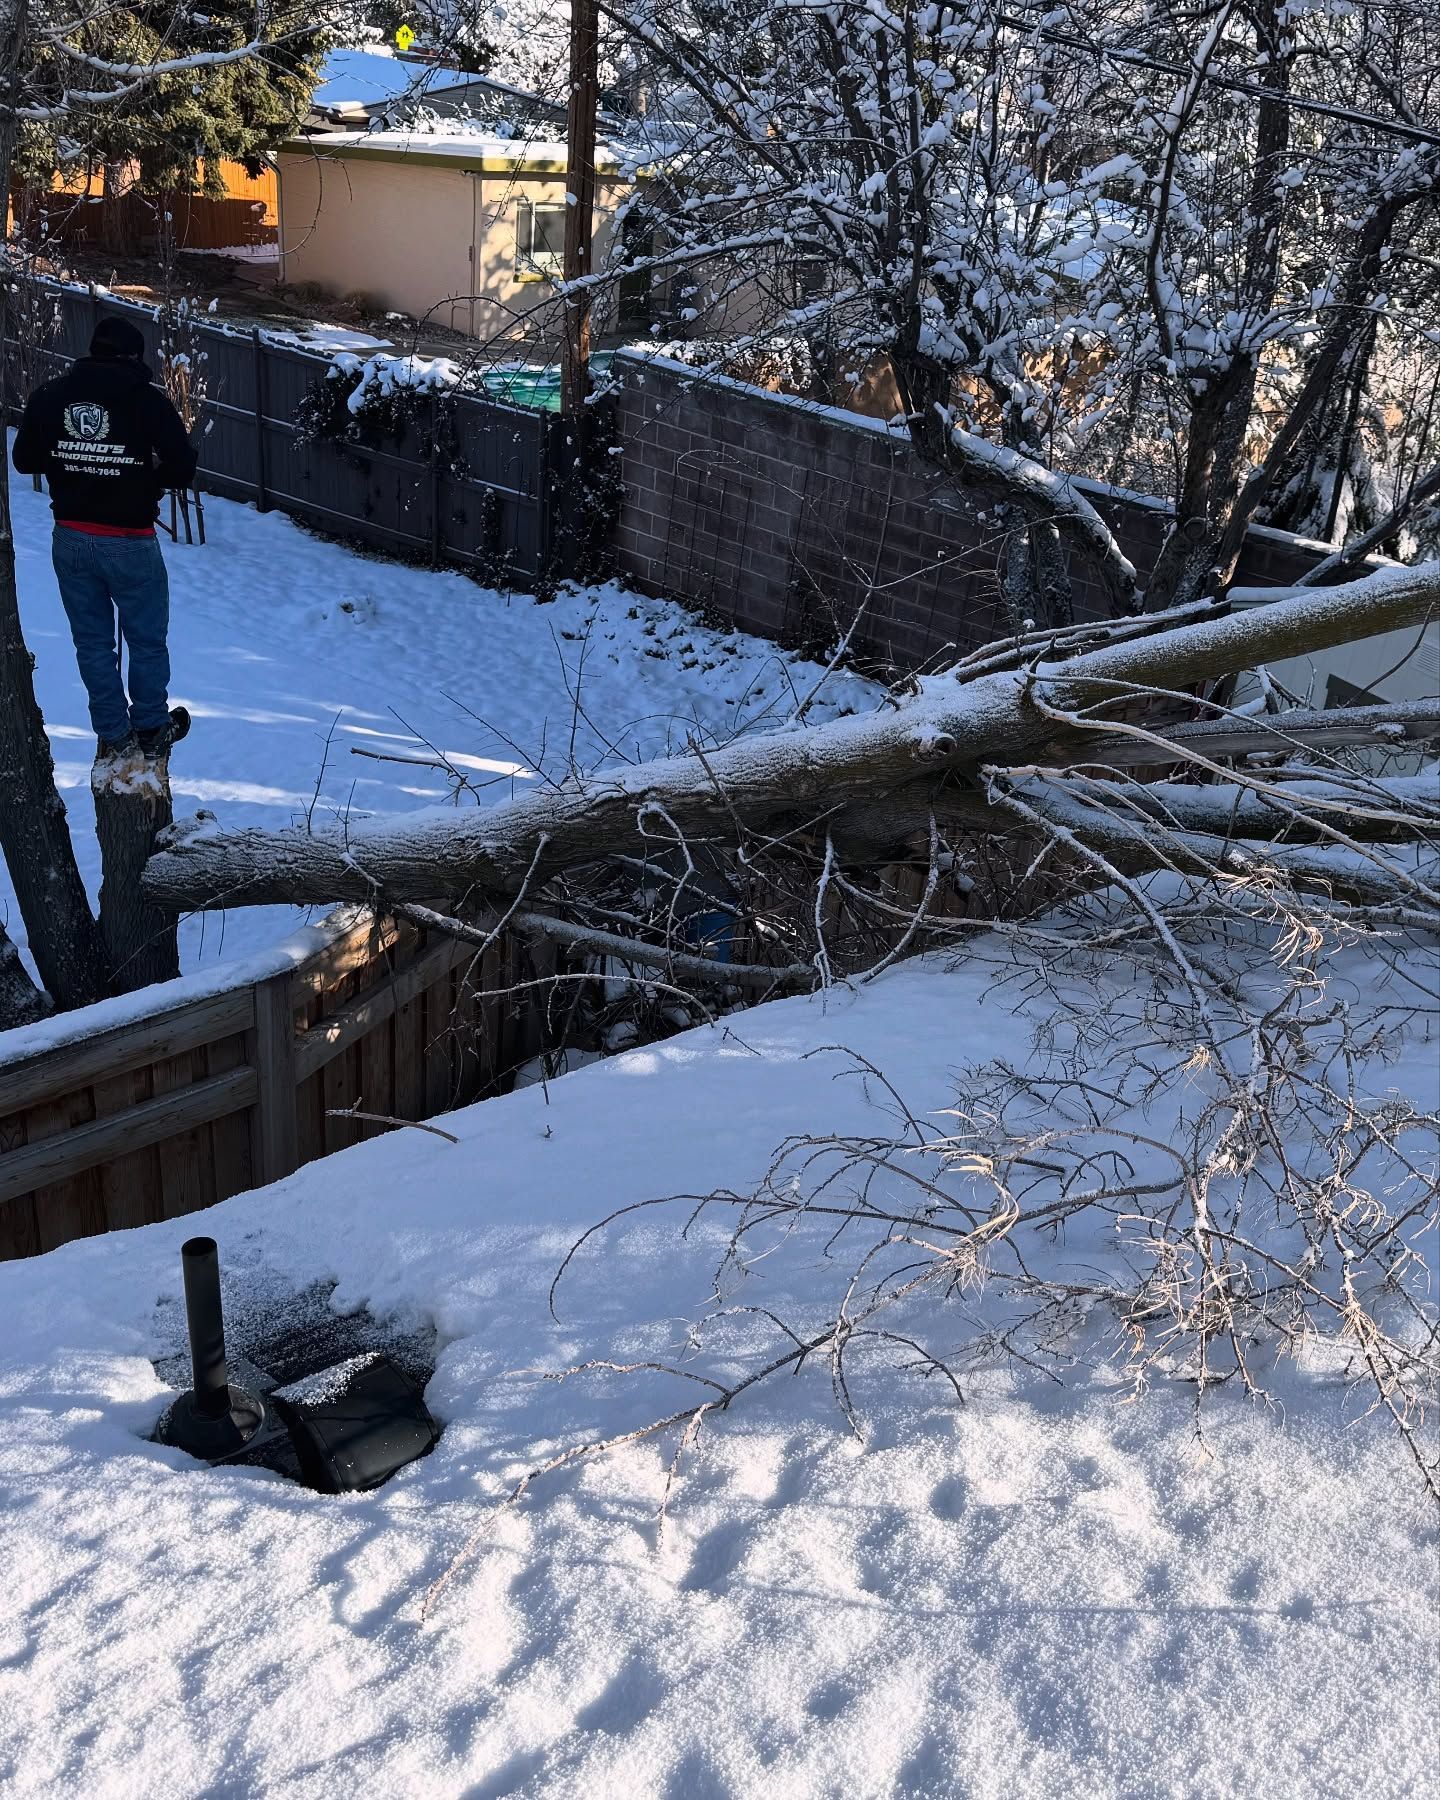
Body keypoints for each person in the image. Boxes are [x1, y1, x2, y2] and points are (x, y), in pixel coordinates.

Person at [12, 316, 198, 762]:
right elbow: (182, 463)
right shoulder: (146, 401)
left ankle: (114, 733)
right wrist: (145, 481)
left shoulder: (50, 396)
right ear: (134, 357)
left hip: (71, 538)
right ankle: (152, 727)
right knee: (146, 639)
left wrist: (70, 462)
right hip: (131, 540)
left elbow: (23, 459)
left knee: (93, 642)